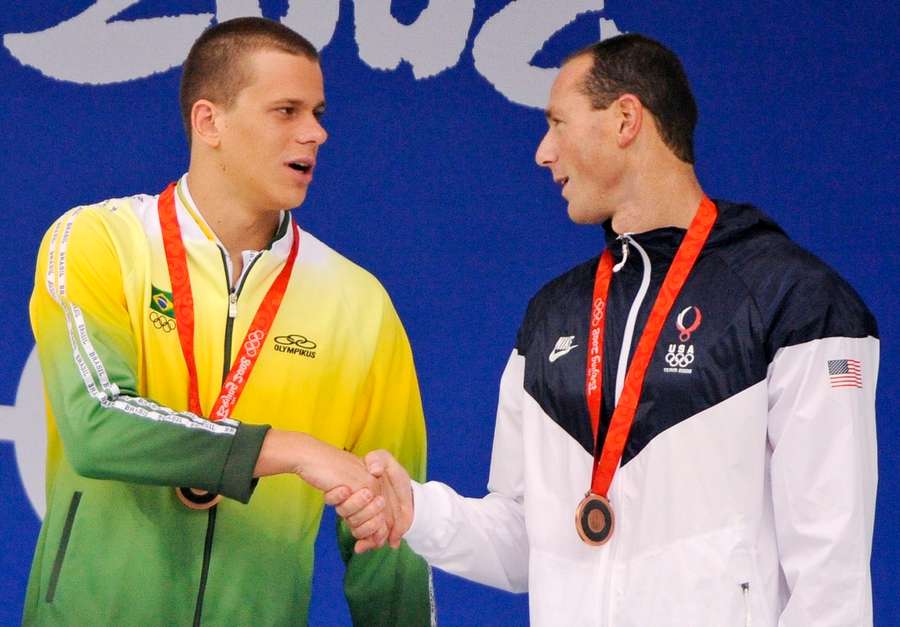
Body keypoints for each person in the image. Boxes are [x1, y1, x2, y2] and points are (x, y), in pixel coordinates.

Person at [329, 34, 879, 626]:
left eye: (558, 123)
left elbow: (830, 571)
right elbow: (524, 541)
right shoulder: (552, 316)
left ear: (624, 120)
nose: (543, 153)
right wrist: (418, 511)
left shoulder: (797, 302)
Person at [25, 17, 432, 626]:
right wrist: (287, 450)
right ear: (208, 121)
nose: (315, 133)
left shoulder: (358, 302)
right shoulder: (98, 241)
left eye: (318, 112)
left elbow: (390, 532)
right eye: (287, 111)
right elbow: (97, 420)